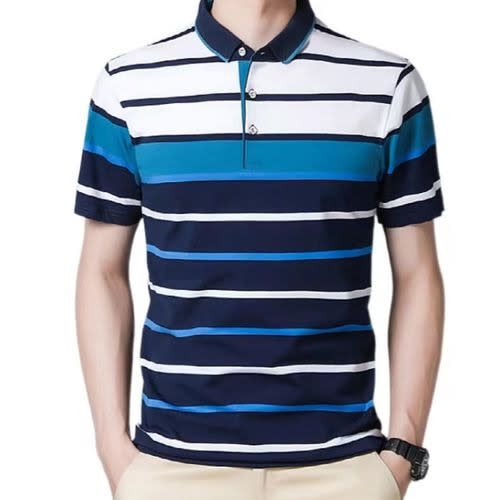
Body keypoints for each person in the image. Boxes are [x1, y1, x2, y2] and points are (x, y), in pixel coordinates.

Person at [75, 0, 445, 498]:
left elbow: (418, 272)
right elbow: (101, 270)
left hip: (343, 468)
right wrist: (112, 448)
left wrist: (402, 450)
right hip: (170, 467)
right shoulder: (128, 85)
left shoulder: (387, 85)